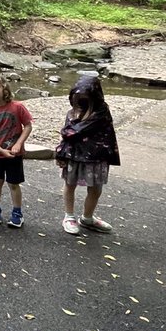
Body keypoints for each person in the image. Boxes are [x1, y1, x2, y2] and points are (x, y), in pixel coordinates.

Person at [55, 75, 119, 235]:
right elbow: (67, 136)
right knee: (70, 184)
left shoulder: (101, 112)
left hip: (96, 156)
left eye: (84, 98)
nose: (80, 101)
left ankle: (87, 218)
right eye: (77, 98)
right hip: (74, 155)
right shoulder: (72, 113)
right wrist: (61, 154)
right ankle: (69, 216)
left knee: (95, 189)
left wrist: (66, 134)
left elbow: (73, 132)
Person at [0, 73, 33, 228]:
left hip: (14, 154)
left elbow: (28, 125)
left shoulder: (17, 107)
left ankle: (17, 212)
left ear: (4, 88)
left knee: (14, 183)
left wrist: (18, 144)